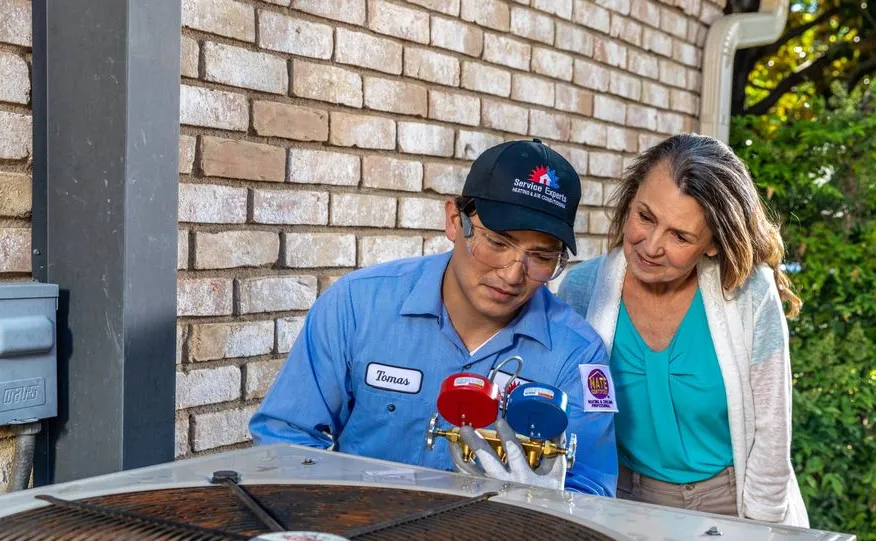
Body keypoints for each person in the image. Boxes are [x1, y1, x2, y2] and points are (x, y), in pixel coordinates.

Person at [249, 139, 619, 497]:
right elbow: (285, 438)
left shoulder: (577, 354)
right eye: (497, 243)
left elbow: (592, 488)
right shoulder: (357, 306)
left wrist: (545, 503)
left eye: (541, 257)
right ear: (455, 221)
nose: (512, 274)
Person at [555, 133, 809, 525]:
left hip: (729, 505)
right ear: (631, 200)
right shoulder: (581, 289)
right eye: (645, 216)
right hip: (617, 500)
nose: (651, 245)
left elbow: (771, 435)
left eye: (680, 236)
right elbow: (570, 414)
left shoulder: (748, 295)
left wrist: (763, 532)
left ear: (712, 244)